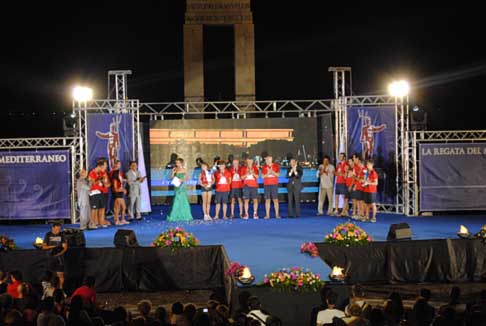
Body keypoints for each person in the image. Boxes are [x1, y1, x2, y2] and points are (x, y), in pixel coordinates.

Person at [42, 222, 68, 289]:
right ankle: (50, 290)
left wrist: (60, 253)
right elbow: (44, 247)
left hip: (60, 259)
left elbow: (65, 247)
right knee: (50, 276)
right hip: (50, 258)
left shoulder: (62, 235)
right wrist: (53, 246)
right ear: (52, 228)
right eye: (56, 229)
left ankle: (61, 290)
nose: (58, 231)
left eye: (59, 229)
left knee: (61, 275)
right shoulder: (48, 235)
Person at [88, 160, 106, 229]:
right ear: (100, 166)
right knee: (94, 209)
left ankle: (100, 223)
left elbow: (103, 182)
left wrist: (103, 179)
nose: (105, 167)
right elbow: (93, 183)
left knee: (101, 207)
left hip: (100, 192)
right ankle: (92, 223)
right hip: (94, 192)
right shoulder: (92, 173)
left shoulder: (101, 173)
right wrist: (100, 179)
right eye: (104, 165)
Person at [111, 160, 130, 225]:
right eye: (117, 164)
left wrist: (125, 181)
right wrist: (122, 190)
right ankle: (118, 220)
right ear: (115, 165)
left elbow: (121, 181)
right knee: (121, 207)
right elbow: (115, 188)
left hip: (120, 191)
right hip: (117, 193)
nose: (118, 165)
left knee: (119, 207)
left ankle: (120, 220)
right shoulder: (114, 174)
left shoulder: (119, 173)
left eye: (119, 164)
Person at [334, 153, 349, 217]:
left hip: (343, 182)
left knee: (344, 197)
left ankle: (345, 210)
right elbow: (335, 173)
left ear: (344, 157)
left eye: (341, 156)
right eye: (339, 156)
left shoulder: (346, 164)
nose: (340, 157)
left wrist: (340, 174)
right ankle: (336, 210)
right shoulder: (339, 164)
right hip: (338, 182)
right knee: (336, 196)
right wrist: (338, 173)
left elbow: (345, 175)